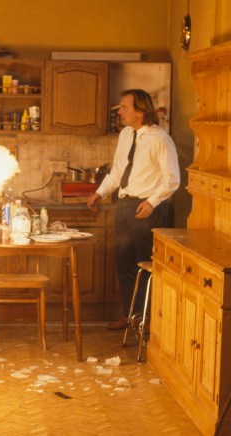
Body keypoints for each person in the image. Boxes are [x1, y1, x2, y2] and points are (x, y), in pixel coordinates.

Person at [87, 89, 180, 330]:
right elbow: (118, 172)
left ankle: (149, 321)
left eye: (125, 107)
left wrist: (152, 202)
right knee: (125, 265)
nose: (120, 111)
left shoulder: (160, 139)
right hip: (125, 206)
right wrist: (100, 192)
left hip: (149, 209)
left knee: (146, 266)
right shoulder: (127, 134)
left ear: (141, 111)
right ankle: (130, 316)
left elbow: (172, 179)